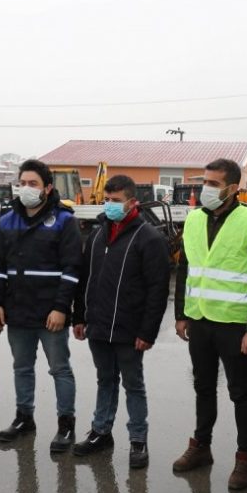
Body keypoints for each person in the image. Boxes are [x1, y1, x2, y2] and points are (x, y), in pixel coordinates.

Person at [172, 158, 247, 490]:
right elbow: (185, 267)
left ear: (232, 188)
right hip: (200, 319)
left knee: (240, 392)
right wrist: (181, 314)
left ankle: (245, 458)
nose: (207, 189)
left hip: (234, 323)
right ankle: (201, 445)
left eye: (214, 184)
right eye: (205, 182)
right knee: (203, 387)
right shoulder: (194, 220)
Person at [70, 175, 170, 469]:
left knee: (133, 385)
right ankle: (101, 431)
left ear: (132, 202)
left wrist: (147, 332)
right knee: (105, 380)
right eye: (107, 200)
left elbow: (158, 289)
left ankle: (138, 439)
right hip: (98, 325)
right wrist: (80, 316)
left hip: (130, 330)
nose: (110, 205)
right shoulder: (99, 234)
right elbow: (84, 278)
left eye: (116, 201)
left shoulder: (149, 238)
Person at [0, 159, 82, 451]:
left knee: (60, 369)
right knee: (22, 368)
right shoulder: (7, 220)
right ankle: (24, 418)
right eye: (23, 183)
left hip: (50, 311)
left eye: (33, 184)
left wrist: (60, 308)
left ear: (47, 188)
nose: (26, 189)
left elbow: (71, 269)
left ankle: (66, 425)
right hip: (17, 310)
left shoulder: (64, 220)